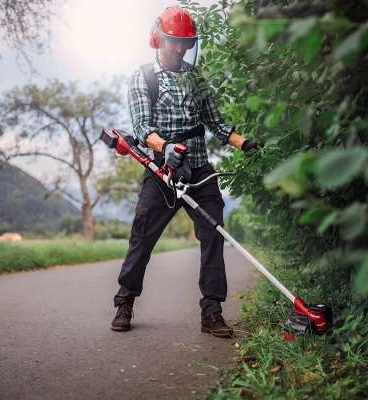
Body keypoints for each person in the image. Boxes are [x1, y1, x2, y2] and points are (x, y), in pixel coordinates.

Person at [110, 5, 262, 338]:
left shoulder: (197, 78)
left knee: (213, 237)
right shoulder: (143, 77)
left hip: (199, 171)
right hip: (162, 172)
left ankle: (212, 313)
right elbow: (142, 126)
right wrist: (165, 148)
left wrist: (245, 143)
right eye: (173, 42)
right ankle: (125, 301)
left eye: (186, 43)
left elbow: (217, 123)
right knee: (142, 238)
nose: (180, 49)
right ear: (158, 39)